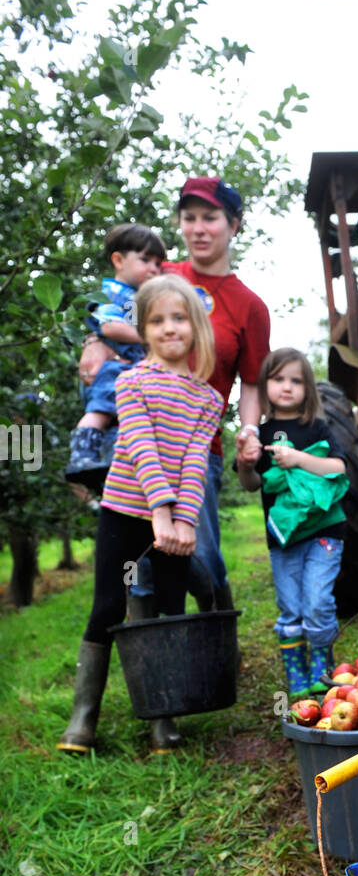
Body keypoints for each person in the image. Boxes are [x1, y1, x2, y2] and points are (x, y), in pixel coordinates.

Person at [78, 176, 270, 614]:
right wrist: (95, 342)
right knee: (138, 569)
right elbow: (115, 320)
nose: (198, 228)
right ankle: (150, 670)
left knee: (197, 558)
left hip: (197, 447)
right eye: (189, 218)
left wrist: (250, 430)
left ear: (233, 224)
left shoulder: (248, 305)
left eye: (210, 218)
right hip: (137, 444)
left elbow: (253, 384)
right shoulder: (158, 276)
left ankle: (214, 654)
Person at [58, 275, 223, 756]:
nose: (169, 329)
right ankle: (83, 719)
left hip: (174, 518)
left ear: (194, 327)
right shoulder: (129, 383)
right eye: (157, 320)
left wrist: (185, 519)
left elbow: (194, 460)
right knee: (109, 606)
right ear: (142, 329)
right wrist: (160, 514)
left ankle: (162, 714)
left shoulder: (207, 398)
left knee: (171, 608)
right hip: (127, 510)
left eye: (178, 319)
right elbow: (142, 450)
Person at [236, 349, 349, 698]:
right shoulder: (260, 434)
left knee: (317, 601)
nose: (287, 387)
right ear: (264, 385)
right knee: (290, 609)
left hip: (323, 532)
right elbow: (251, 485)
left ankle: (322, 666)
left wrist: (297, 459)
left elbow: (339, 468)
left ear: (308, 388)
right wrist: (244, 462)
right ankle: (296, 675)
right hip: (283, 538)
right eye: (278, 379)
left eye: (296, 380)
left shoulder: (315, 427)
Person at [65, 224, 165, 489]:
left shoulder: (139, 297)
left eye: (158, 263)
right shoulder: (112, 293)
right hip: (111, 369)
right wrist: (149, 337)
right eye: (145, 260)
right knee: (101, 410)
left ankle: (110, 462)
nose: (153, 269)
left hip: (131, 373)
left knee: (121, 419)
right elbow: (109, 326)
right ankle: (81, 455)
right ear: (118, 260)